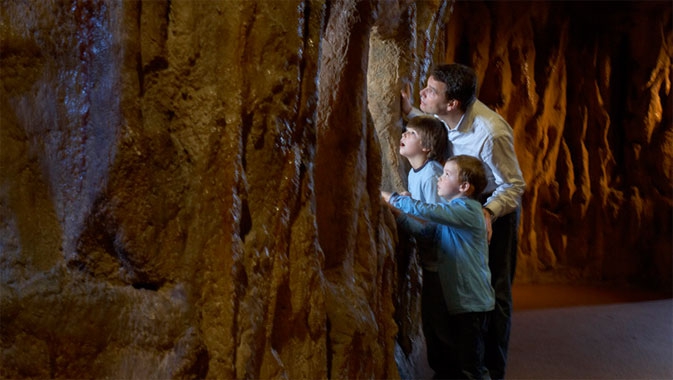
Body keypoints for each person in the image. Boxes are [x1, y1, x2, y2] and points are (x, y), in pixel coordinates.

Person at [401, 63, 526, 379]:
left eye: (431, 91)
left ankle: (491, 370)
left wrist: (488, 212)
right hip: (462, 202)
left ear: (453, 102)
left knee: (492, 293)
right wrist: (411, 111)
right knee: (456, 285)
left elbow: (513, 185)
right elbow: (435, 123)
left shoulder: (490, 133)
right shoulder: (447, 115)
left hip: (494, 209)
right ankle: (458, 366)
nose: (423, 93)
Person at [382, 155, 495, 379]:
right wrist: (398, 216)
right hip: (457, 301)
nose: (439, 179)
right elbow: (426, 231)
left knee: (470, 366)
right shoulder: (453, 212)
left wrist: (391, 198)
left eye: (446, 174)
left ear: (464, 187)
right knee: (447, 357)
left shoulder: (469, 211)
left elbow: (427, 210)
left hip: (471, 304)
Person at [400, 115, 449, 204]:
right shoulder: (412, 172)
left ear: (426, 146)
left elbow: (437, 213)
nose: (404, 134)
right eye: (407, 131)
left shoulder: (431, 175)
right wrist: (410, 199)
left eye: (413, 133)